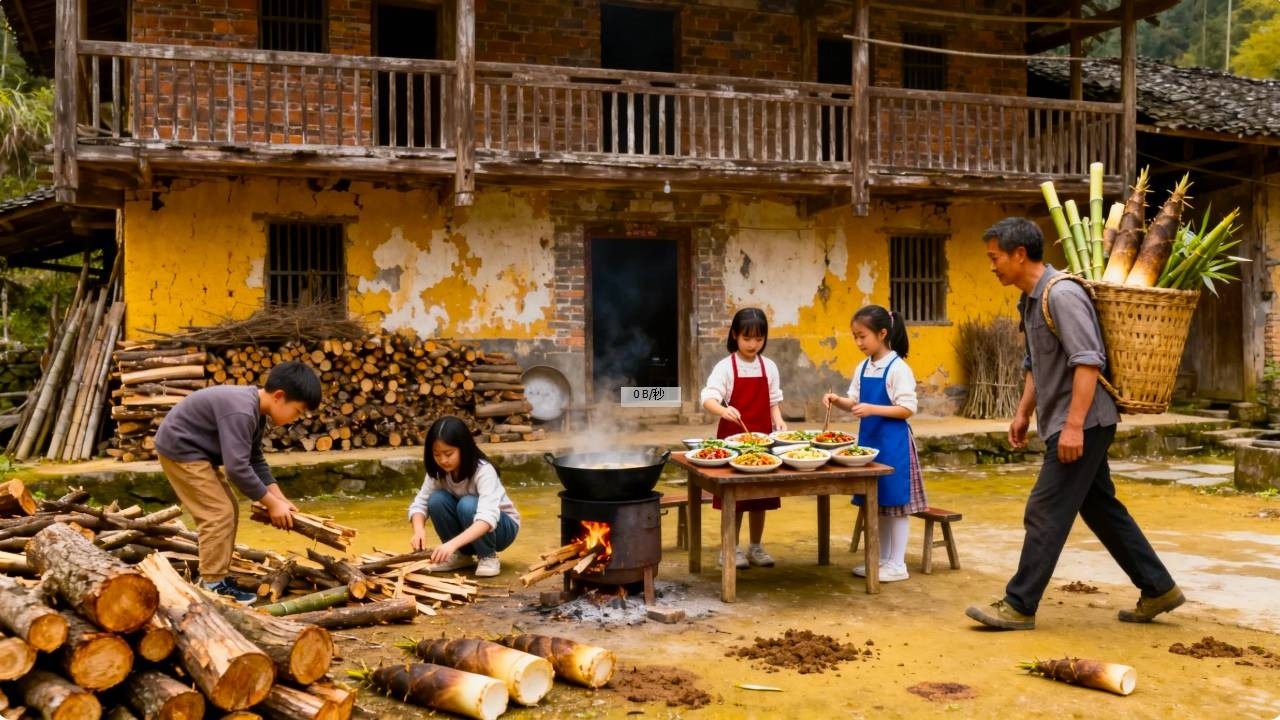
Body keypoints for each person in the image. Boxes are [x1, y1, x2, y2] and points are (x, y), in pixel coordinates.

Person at [967, 216, 1184, 630]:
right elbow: (1035, 362)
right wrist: (1023, 412)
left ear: (1019, 254)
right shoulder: (1030, 299)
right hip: (1067, 421)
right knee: (1101, 508)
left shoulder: (1063, 294)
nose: (992, 266)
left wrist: (1072, 427)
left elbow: (1088, 361)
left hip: (1084, 422)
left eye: (995, 258)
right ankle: (1159, 588)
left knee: (1045, 509)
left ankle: (1019, 605)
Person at [154, 360, 321, 604]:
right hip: (181, 449)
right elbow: (237, 469)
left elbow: (255, 460)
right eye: (297, 411)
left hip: (195, 451)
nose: (296, 418)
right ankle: (212, 585)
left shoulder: (256, 411)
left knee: (228, 508)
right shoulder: (242, 411)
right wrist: (272, 504)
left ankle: (216, 576)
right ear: (279, 396)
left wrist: (280, 499)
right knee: (218, 513)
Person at [823, 305, 925, 583]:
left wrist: (872, 409)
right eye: (855, 337)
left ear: (882, 333)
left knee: (896, 504)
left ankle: (898, 564)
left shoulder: (898, 368)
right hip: (870, 443)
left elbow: (907, 408)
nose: (858, 342)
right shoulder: (864, 367)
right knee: (877, 502)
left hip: (894, 445)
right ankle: (881, 559)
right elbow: (855, 402)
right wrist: (838, 401)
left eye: (862, 336)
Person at [700, 307, 787, 569]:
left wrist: (779, 420)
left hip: (763, 440)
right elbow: (708, 398)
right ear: (735, 335)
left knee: (760, 496)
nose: (752, 344)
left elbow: (773, 401)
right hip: (732, 440)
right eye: (747, 338)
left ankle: (756, 546)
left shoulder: (768, 366)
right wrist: (723, 411)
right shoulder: (726, 367)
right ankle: (730, 547)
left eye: (759, 339)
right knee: (735, 498)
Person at [409, 415, 520, 578]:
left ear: (463, 448)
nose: (442, 460)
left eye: (448, 453)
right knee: (436, 500)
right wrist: (419, 530)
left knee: (467, 504)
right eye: (436, 454)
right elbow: (420, 503)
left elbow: (487, 518)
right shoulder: (438, 472)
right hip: (468, 528)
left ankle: (488, 556)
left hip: (502, 529)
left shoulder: (484, 471)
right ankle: (461, 556)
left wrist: (451, 545)